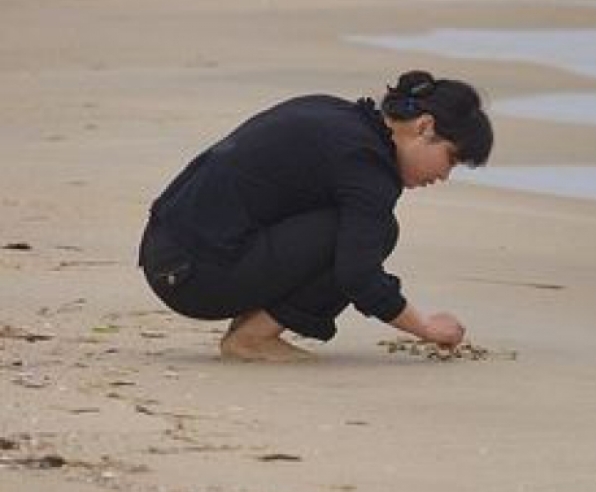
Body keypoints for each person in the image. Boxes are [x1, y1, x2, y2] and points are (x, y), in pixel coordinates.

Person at [136, 70, 492, 362]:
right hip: (195, 278)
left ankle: (249, 326)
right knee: (377, 231)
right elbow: (360, 276)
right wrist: (427, 328)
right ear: (424, 127)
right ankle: (252, 338)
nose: (444, 176)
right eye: (451, 159)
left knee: (357, 227)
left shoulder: (335, 114)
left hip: (165, 253)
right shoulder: (367, 166)